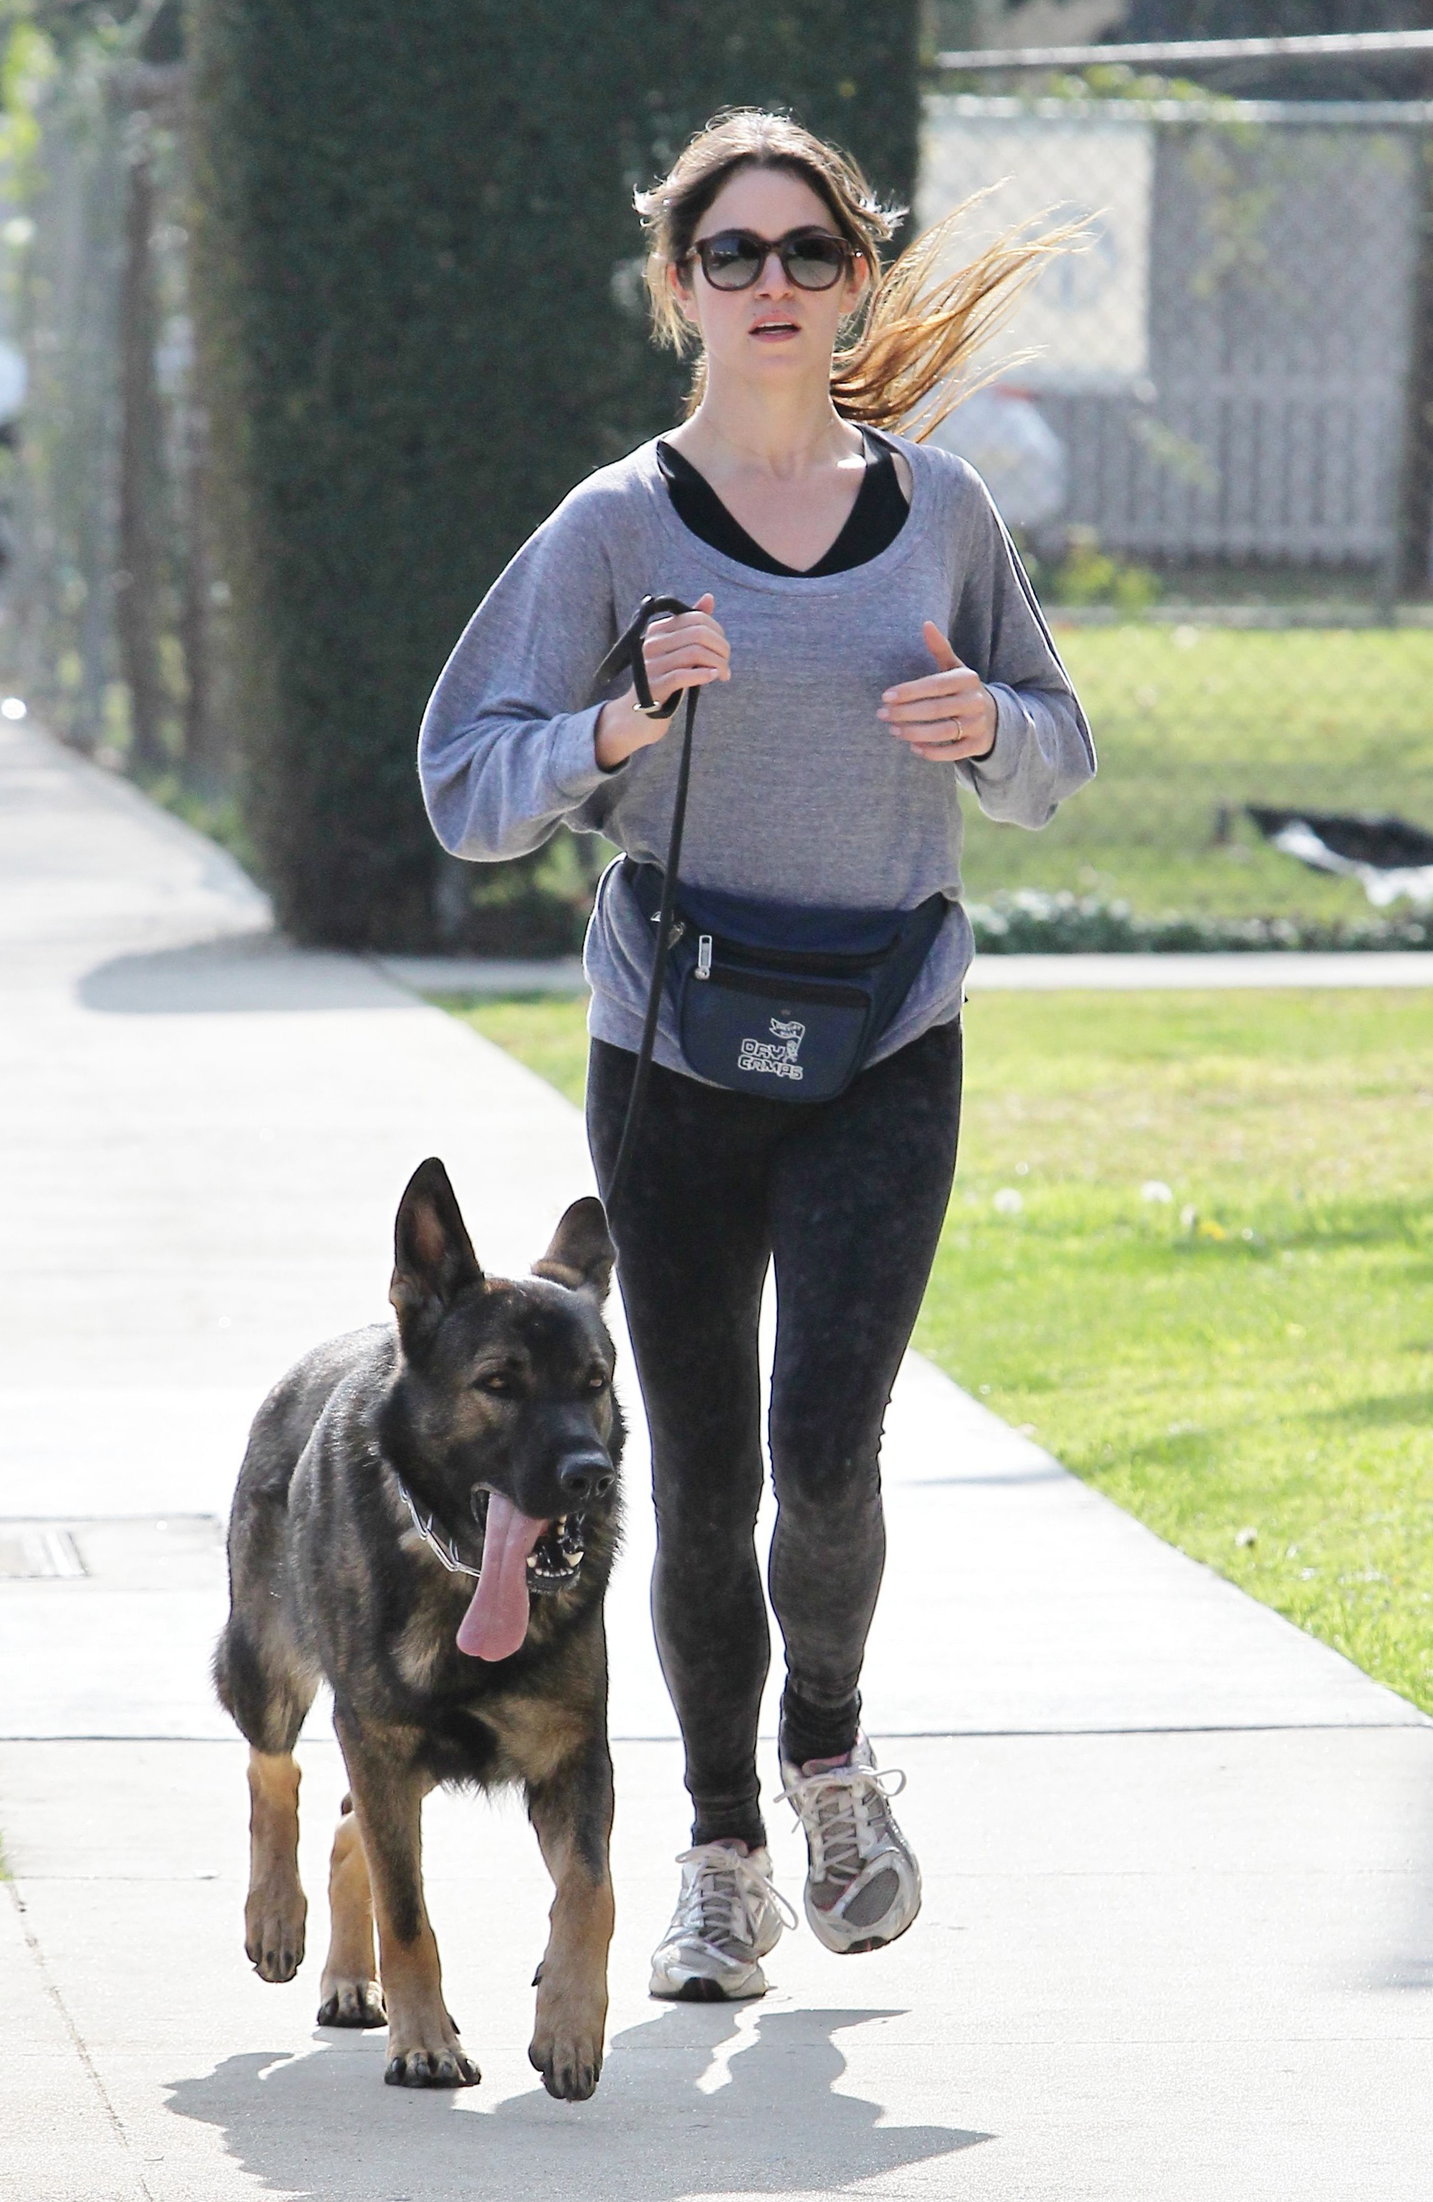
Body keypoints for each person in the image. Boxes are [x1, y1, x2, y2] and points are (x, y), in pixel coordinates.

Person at [419, 110, 1094, 2002]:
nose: (774, 285)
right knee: (700, 1471)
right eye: (734, 256)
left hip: (887, 1030)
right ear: (678, 287)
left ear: (855, 276)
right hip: (677, 1050)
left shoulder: (943, 516)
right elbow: (465, 781)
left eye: (809, 253)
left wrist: (986, 727)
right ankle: (719, 1849)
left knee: (826, 1453)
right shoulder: (611, 527)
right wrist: (615, 727)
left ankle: (830, 1756)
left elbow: (1058, 745)